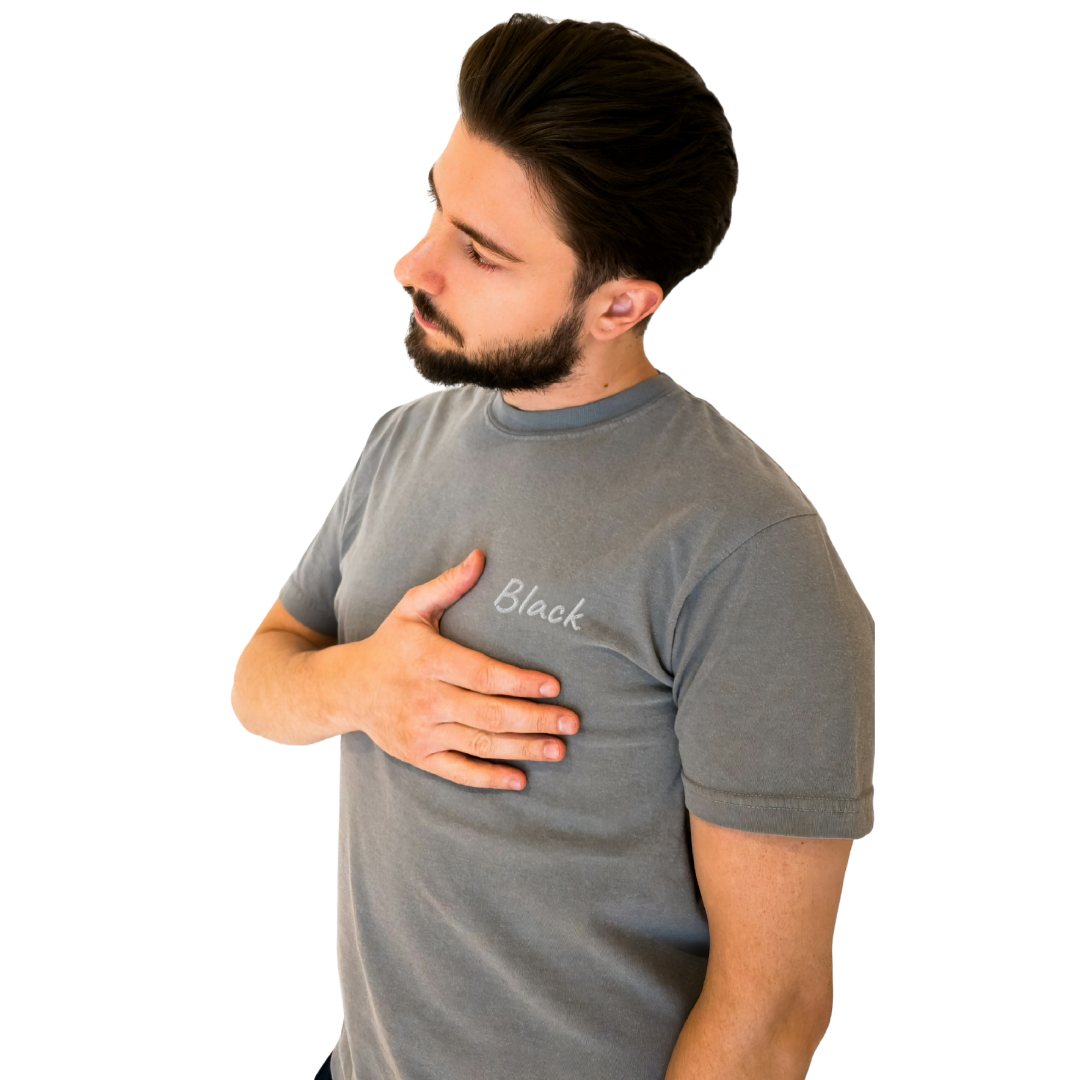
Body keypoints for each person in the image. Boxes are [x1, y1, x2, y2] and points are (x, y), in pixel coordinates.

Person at [232, 14, 874, 1080]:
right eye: (438, 206)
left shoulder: (748, 553)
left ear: (620, 303)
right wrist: (363, 688)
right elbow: (261, 679)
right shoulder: (406, 442)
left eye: (480, 250)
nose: (412, 262)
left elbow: (772, 1011)